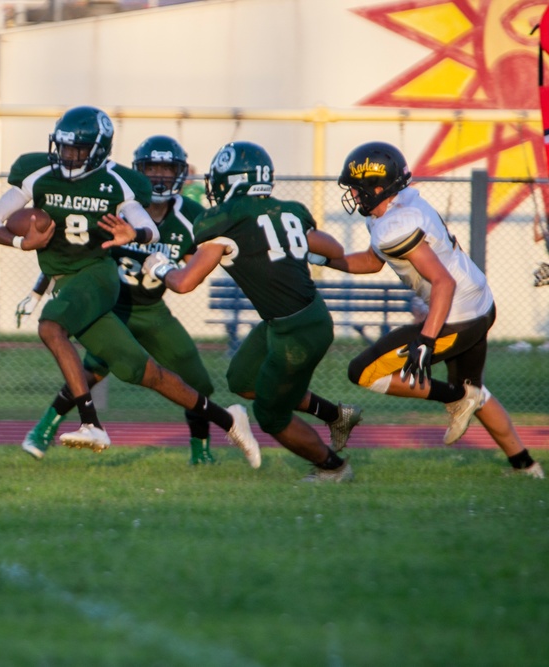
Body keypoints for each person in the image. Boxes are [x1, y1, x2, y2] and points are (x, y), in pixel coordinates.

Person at [0, 106, 261, 464]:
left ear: (98, 149)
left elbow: (153, 231)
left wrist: (137, 233)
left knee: (51, 328)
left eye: (77, 148)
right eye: (64, 146)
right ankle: (230, 420)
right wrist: (21, 245)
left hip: (105, 281)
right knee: (144, 373)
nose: (68, 155)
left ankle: (92, 423)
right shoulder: (38, 173)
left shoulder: (122, 184)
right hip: (88, 291)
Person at [144, 141, 362, 482]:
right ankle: (336, 415)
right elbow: (333, 248)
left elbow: (184, 283)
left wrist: (158, 268)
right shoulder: (287, 209)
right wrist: (296, 249)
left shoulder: (224, 220)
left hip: (300, 330)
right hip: (289, 320)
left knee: (270, 415)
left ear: (230, 181)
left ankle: (334, 468)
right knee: (243, 380)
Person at [322, 140, 542, 478]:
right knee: (476, 392)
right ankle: (526, 467)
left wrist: (426, 339)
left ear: (378, 188)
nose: (352, 195)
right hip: (479, 303)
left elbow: (443, 283)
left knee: (363, 372)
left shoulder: (397, 224)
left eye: (356, 189)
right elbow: (370, 261)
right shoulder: (400, 205)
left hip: (457, 316)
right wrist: (325, 258)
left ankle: (454, 396)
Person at [18, 136, 223, 465]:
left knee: (196, 380)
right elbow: (72, 256)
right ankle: (43, 429)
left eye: (166, 169)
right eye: (151, 169)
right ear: (139, 172)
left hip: (154, 312)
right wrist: (38, 289)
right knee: (88, 374)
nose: (158, 177)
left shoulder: (190, 216)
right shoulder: (118, 207)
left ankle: (201, 452)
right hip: (113, 307)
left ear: (180, 174)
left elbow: (199, 260)